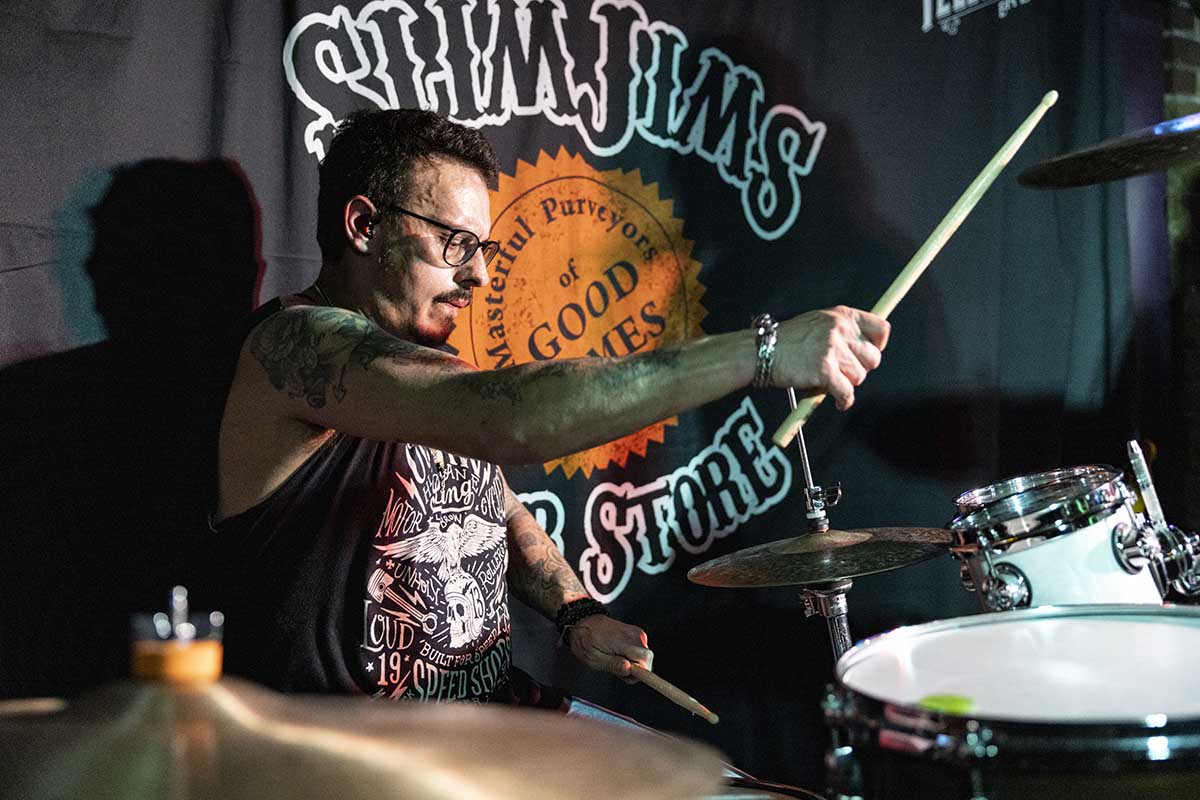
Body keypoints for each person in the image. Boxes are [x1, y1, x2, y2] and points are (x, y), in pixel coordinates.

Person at [211, 108, 889, 705]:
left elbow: (490, 500)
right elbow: (513, 421)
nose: (476, 274)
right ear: (363, 225)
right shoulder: (297, 348)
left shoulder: (417, 369)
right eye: (456, 244)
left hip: (489, 731)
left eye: (481, 250)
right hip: (355, 763)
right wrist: (761, 352)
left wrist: (573, 611)